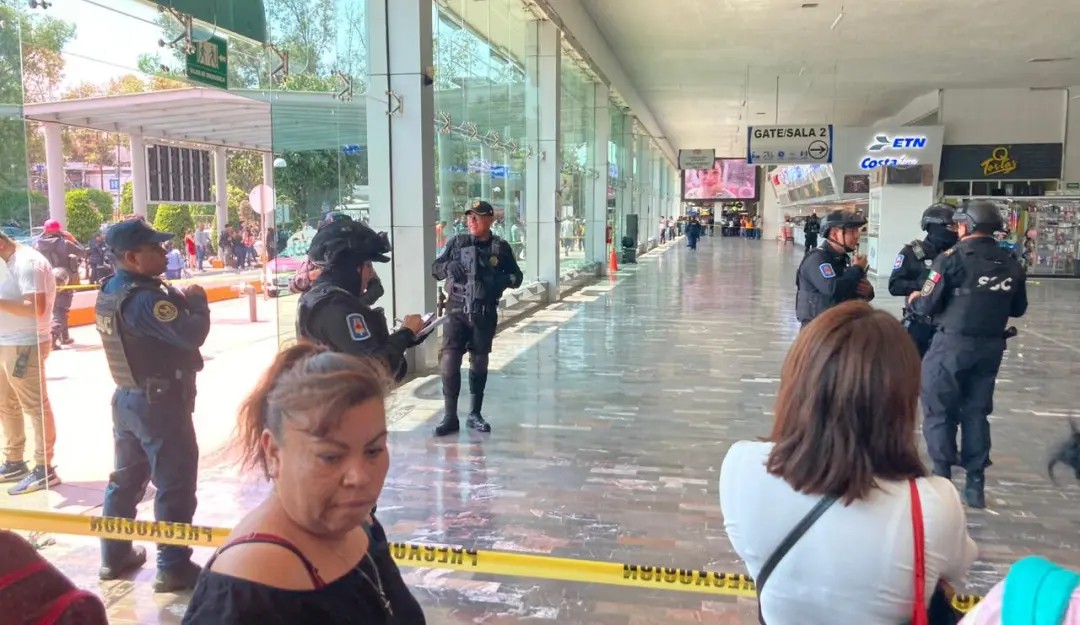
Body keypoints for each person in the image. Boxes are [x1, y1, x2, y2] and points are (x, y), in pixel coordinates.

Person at [719, 301, 977, 625]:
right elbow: (958, 565)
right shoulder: (933, 504)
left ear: (798, 380)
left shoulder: (741, 469)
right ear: (902, 399)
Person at [181, 344, 425, 624]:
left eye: (373, 450)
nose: (359, 477)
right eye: (331, 457)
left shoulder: (359, 523)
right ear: (273, 452)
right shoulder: (251, 585)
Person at [95, 219, 210, 592]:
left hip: (128, 398)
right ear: (131, 256)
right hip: (159, 405)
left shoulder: (113, 289)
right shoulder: (145, 299)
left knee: (125, 481)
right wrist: (197, 302)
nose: (164, 252)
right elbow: (192, 334)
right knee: (174, 483)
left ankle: (114, 556)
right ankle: (173, 566)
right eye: (155, 248)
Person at [908, 200, 1027, 509]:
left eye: (959, 225)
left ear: (967, 226)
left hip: (951, 346)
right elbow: (1018, 308)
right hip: (990, 349)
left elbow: (927, 305)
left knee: (938, 408)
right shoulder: (1011, 261)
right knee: (976, 412)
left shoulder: (951, 259)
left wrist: (914, 299)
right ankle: (975, 483)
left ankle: (942, 476)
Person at [432, 200, 523, 436]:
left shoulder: (499, 247)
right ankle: (450, 416)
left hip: (483, 312)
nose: (471, 221)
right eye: (469, 217)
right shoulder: (457, 242)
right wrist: (449, 266)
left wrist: (499, 282)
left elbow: (517, 276)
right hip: (456, 310)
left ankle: (475, 413)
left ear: (490, 220)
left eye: (477, 217)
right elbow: (435, 268)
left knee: (479, 362)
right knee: (450, 361)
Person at [295, 217, 421, 382]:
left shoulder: (316, 298)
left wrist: (405, 338)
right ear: (355, 268)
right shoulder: (338, 309)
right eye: (367, 265)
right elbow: (375, 369)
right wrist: (406, 333)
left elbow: (356, 348)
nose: (370, 274)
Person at [0, 230, 59, 495]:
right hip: (7, 342)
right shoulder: (8, 261)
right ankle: (14, 461)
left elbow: (35, 306)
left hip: (25, 344)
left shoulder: (27, 262)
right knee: (7, 404)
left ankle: (44, 468)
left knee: (35, 406)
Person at [888, 204, 958, 357]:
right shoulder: (913, 252)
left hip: (950, 325)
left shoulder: (959, 255)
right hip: (920, 324)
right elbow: (895, 285)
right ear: (934, 227)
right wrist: (926, 285)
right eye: (951, 227)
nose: (956, 231)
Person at [794, 209, 872, 327]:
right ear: (834, 234)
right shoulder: (818, 259)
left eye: (857, 230)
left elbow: (847, 291)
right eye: (851, 231)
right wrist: (857, 269)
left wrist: (867, 292)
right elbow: (833, 289)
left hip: (838, 327)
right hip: (817, 332)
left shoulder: (841, 259)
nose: (857, 236)